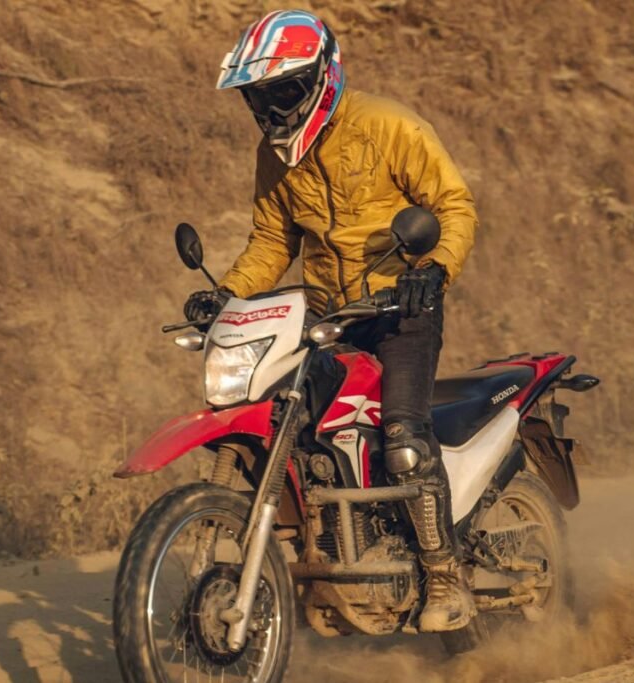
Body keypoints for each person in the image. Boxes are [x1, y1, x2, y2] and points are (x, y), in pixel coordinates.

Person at [184, 9, 479, 633]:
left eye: (283, 90)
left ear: (323, 75)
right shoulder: (276, 155)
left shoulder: (389, 126)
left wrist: (434, 269)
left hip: (402, 306)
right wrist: (228, 294)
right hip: (327, 315)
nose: (271, 107)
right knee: (294, 431)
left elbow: (453, 206)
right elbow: (271, 240)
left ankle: (445, 574)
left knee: (402, 438)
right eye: (259, 95)